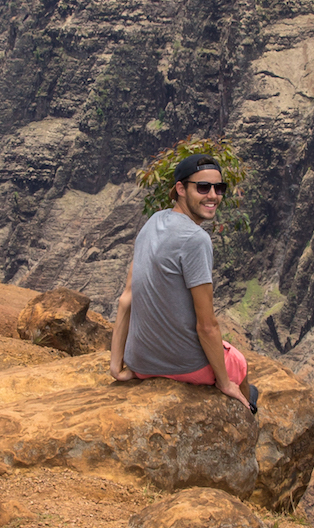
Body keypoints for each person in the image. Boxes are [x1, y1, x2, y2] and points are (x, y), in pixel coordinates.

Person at [110, 152, 257, 412]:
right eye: (203, 187)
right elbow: (207, 325)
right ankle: (247, 410)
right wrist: (224, 382)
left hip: (140, 364)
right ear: (180, 188)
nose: (213, 195)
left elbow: (126, 298)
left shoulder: (153, 221)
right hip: (186, 367)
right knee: (239, 363)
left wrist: (117, 366)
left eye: (219, 187)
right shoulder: (195, 239)